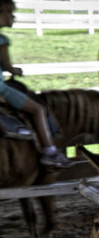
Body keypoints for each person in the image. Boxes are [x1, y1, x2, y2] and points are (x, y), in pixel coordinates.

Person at [0, 0, 71, 168]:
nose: (13, 16)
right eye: (9, 12)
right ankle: (50, 151)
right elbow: (8, 67)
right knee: (38, 109)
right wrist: (16, 70)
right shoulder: (2, 41)